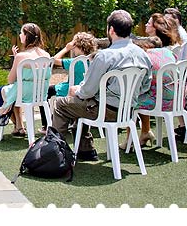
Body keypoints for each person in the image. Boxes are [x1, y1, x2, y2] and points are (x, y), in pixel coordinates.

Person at [48, 9, 151, 162]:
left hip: (104, 111)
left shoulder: (105, 56)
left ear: (111, 30)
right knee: (81, 104)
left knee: (61, 104)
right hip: (128, 111)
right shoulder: (142, 54)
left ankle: (55, 154)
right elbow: (145, 86)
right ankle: (85, 150)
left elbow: (87, 91)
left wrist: (77, 90)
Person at [126, 13, 180, 148]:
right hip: (176, 100)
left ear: (156, 28)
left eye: (149, 23)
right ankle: (146, 131)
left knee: (130, 99)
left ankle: (129, 140)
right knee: (144, 92)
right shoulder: (169, 52)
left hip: (159, 102)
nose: (145, 25)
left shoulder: (149, 55)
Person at [0, 23, 50, 138]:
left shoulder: (21, 57)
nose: (20, 35)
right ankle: (19, 126)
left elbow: (10, 80)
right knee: (16, 90)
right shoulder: (46, 55)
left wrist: (16, 60)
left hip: (24, 94)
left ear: (26, 36)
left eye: (21, 33)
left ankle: (15, 124)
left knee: (5, 91)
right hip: (40, 94)